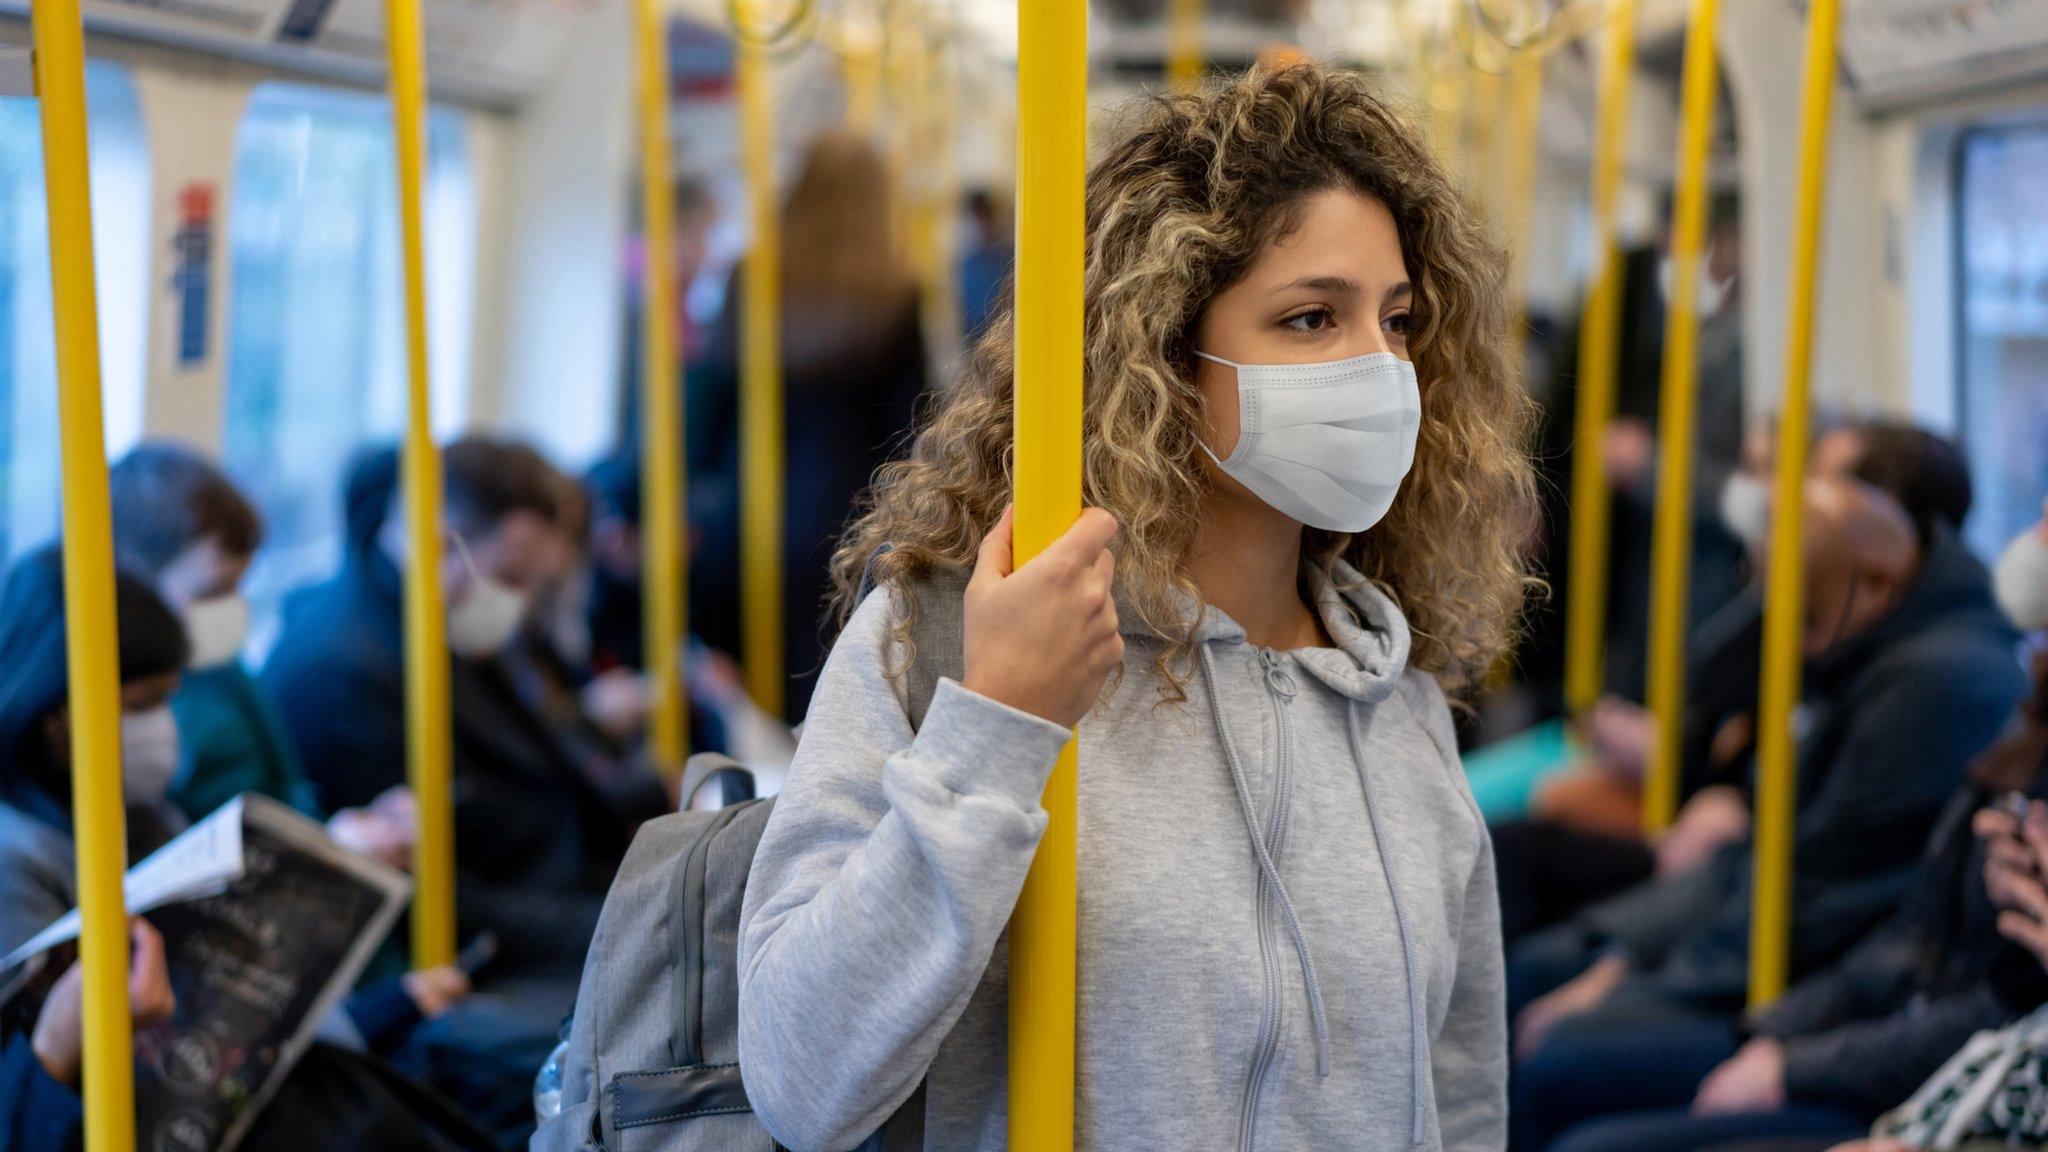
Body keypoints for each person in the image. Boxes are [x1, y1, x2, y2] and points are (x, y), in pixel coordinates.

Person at [737, 63, 1531, 1150]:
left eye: (1394, 321)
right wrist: (993, 734)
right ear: (1160, 354)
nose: (1378, 369)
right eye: (1308, 319)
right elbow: (797, 1075)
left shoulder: (1397, 707)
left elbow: (1459, 1095)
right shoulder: (948, 647)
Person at [1510, 477, 2027, 1151]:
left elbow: (1820, 892)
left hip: (1845, 1005)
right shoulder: (1884, 653)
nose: (1803, 647)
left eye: (1808, 623)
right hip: (1840, 992)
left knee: (1564, 1068)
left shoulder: (1940, 685)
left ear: (1875, 583)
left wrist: (1775, 1042)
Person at [1495, 420, 1979, 940]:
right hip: (1721, 840)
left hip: (1735, 866)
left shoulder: (1912, 668)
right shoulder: (1788, 603)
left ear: (1877, 509)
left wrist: (1722, 792)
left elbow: (1811, 847)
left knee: (1528, 844)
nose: (1788, 497)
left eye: (1817, 480)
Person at [263, 437, 665, 975]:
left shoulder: (445, 618)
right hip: (486, 950)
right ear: (438, 545)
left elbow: (540, 766)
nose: (517, 604)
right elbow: (433, 900)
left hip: (557, 883)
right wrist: (629, 925)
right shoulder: (342, 673)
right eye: (509, 580)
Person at [690, 129, 929, 722]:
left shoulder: (751, 278)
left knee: (746, 699)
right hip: (849, 520)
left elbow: (710, 403)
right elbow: (911, 427)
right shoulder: (896, 292)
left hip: (746, 513)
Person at [108, 441, 414, 869]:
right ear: (132, 583)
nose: (233, 608)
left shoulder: (225, 669)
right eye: (212, 592)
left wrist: (348, 831)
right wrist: (331, 847)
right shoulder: (139, 714)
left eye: (238, 588)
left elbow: (284, 791)